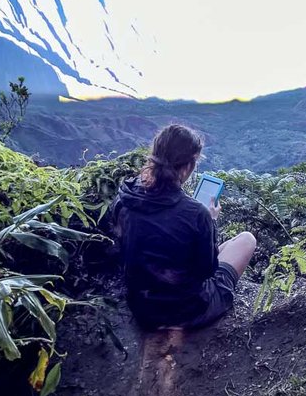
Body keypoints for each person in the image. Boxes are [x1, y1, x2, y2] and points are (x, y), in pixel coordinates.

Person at [109, 124, 256, 330]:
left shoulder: (126, 196)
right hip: (187, 312)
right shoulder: (196, 213)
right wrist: (210, 221)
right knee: (246, 240)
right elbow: (207, 271)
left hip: (142, 308)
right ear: (188, 166)